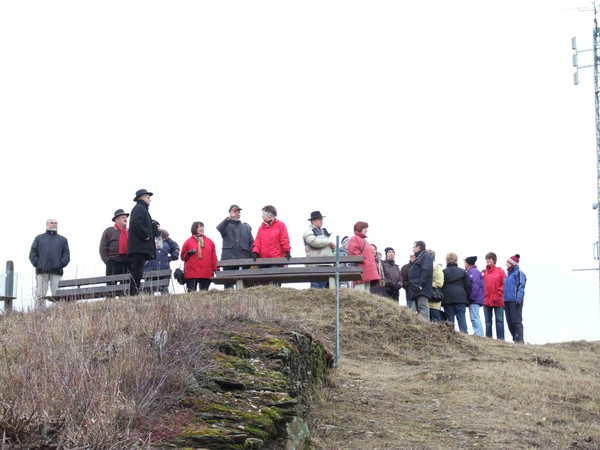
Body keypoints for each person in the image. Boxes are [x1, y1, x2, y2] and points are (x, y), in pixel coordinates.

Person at [29, 218, 71, 308]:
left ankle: (57, 314)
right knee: (40, 294)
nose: (54, 224)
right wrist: (39, 264)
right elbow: (32, 254)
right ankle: (39, 313)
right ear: (47, 224)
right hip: (42, 271)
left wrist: (59, 265)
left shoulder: (63, 240)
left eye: (56, 223)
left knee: (57, 295)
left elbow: (66, 255)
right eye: (52, 223)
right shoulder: (39, 238)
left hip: (57, 271)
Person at [127, 189, 159, 296]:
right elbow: (136, 223)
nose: (150, 200)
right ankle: (133, 292)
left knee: (138, 271)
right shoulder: (139, 208)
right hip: (138, 247)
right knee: (137, 271)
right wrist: (145, 235)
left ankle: (135, 291)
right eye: (148, 197)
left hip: (140, 247)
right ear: (142, 198)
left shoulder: (142, 209)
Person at [216, 204, 255, 289]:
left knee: (244, 286)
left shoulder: (246, 227)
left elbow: (251, 243)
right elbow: (219, 228)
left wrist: (253, 256)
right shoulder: (226, 226)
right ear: (230, 213)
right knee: (228, 287)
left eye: (238, 211)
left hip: (244, 260)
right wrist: (229, 218)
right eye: (235, 211)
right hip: (228, 260)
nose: (237, 213)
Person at [181, 221, 218, 291]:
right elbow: (183, 257)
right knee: (191, 294)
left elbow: (214, 257)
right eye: (199, 227)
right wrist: (188, 253)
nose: (202, 229)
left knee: (204, 294)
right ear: (194, 229)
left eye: (202, 227)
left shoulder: (210, 242)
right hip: (192, 272)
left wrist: (216, 269)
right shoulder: (188, 242)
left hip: (206, 271)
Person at [144, 222, 180, 294]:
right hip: (149, 269)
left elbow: (175, 247)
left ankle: (166, 305)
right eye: (156, 227)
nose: (158, 229)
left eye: (159, 227)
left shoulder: (165, 239)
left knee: (164, 291)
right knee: (148, 292)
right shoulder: (146, 238)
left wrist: (170, 258)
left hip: (164, 268)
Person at [303, 210, 336, 288]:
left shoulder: (323, 232)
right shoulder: (309, 231)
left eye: (322, 219)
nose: (321, 221)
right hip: (316, 265)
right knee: (316, 287)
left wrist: (332, 248)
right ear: (313, 221)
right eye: (319, 219)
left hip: (325, 264)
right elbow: (312, 241)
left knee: (322, 288)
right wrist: (328, 242)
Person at [441, 252, 471, 333]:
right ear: (456, 260)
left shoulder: (443, 272)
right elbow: (468, 285)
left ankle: (451, 337)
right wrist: (465, 294)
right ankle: (465, 335)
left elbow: (440, 285)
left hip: (447, 298)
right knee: (461, 317)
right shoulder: (462, 272)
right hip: (461, 298)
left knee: (450, 319)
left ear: (447, 260)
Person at [346, 221, 380, 292]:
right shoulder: (354, 239)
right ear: (359, 228)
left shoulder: (365, 242)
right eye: (365, 228)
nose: (367, 230)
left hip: (367, 270)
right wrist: (365, 261)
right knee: (360, 293)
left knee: (365, 294)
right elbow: (353, 253)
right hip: (361, 271)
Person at [99, 209, 131, 283]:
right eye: (123, 217)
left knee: (126, 287)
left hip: (127, 262)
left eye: (126, 217)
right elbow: (102, 248)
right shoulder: (109, 231)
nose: (125, 219)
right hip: (113, 262)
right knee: (111, 288)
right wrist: (107, 261)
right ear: (116, 220)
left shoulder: (129, 232)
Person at [483, 251, 506, 340]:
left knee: (499, 320)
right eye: (486, 259)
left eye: (489, 259)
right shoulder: (484, 273)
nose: (487, 260)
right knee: (488, 322)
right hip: (487, 300)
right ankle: (488, 339)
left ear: (494, 260)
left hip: (498, 300)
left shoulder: (500, 271)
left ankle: (501, 339)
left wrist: (499, 293)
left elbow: (504, 283)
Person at [504, 254, 527, 343]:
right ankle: (515, 339)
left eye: (508, 263)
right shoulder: (508, 275)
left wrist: (519, 298)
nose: (506, 264)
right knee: (509, 322)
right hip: (507, 301)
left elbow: (521, 286)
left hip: (515, 301)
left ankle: (520, 340)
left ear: (512, 264)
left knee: (516, 321)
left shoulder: (519, 273)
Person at [407, 241, 433, 320]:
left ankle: (425, 326)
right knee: (419, 308)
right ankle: (422, 325)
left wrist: (421, 284)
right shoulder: (420, 257)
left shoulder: (425, 256)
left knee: (422, 306)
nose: (413, 249)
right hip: (416, 287)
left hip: (421, 287)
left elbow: (426, 269)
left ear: (419, 247)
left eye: (414, 247)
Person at [464, 256, 484, 336]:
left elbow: (475, 285)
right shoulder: (471, 271)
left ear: (468, 263)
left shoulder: (473, 272)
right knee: (474, 316)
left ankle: (478, 333)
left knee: (474, 316)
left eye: (465, 263)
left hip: (474, 298)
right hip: (475, 298)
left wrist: (472, 297)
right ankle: (478, 333)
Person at [428, 249, 445, 322]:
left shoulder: (437, 267)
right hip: (429, 299)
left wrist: (428, 284)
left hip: (434, 297)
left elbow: (439, 283)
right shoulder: (436, 267)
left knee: (436, 319)